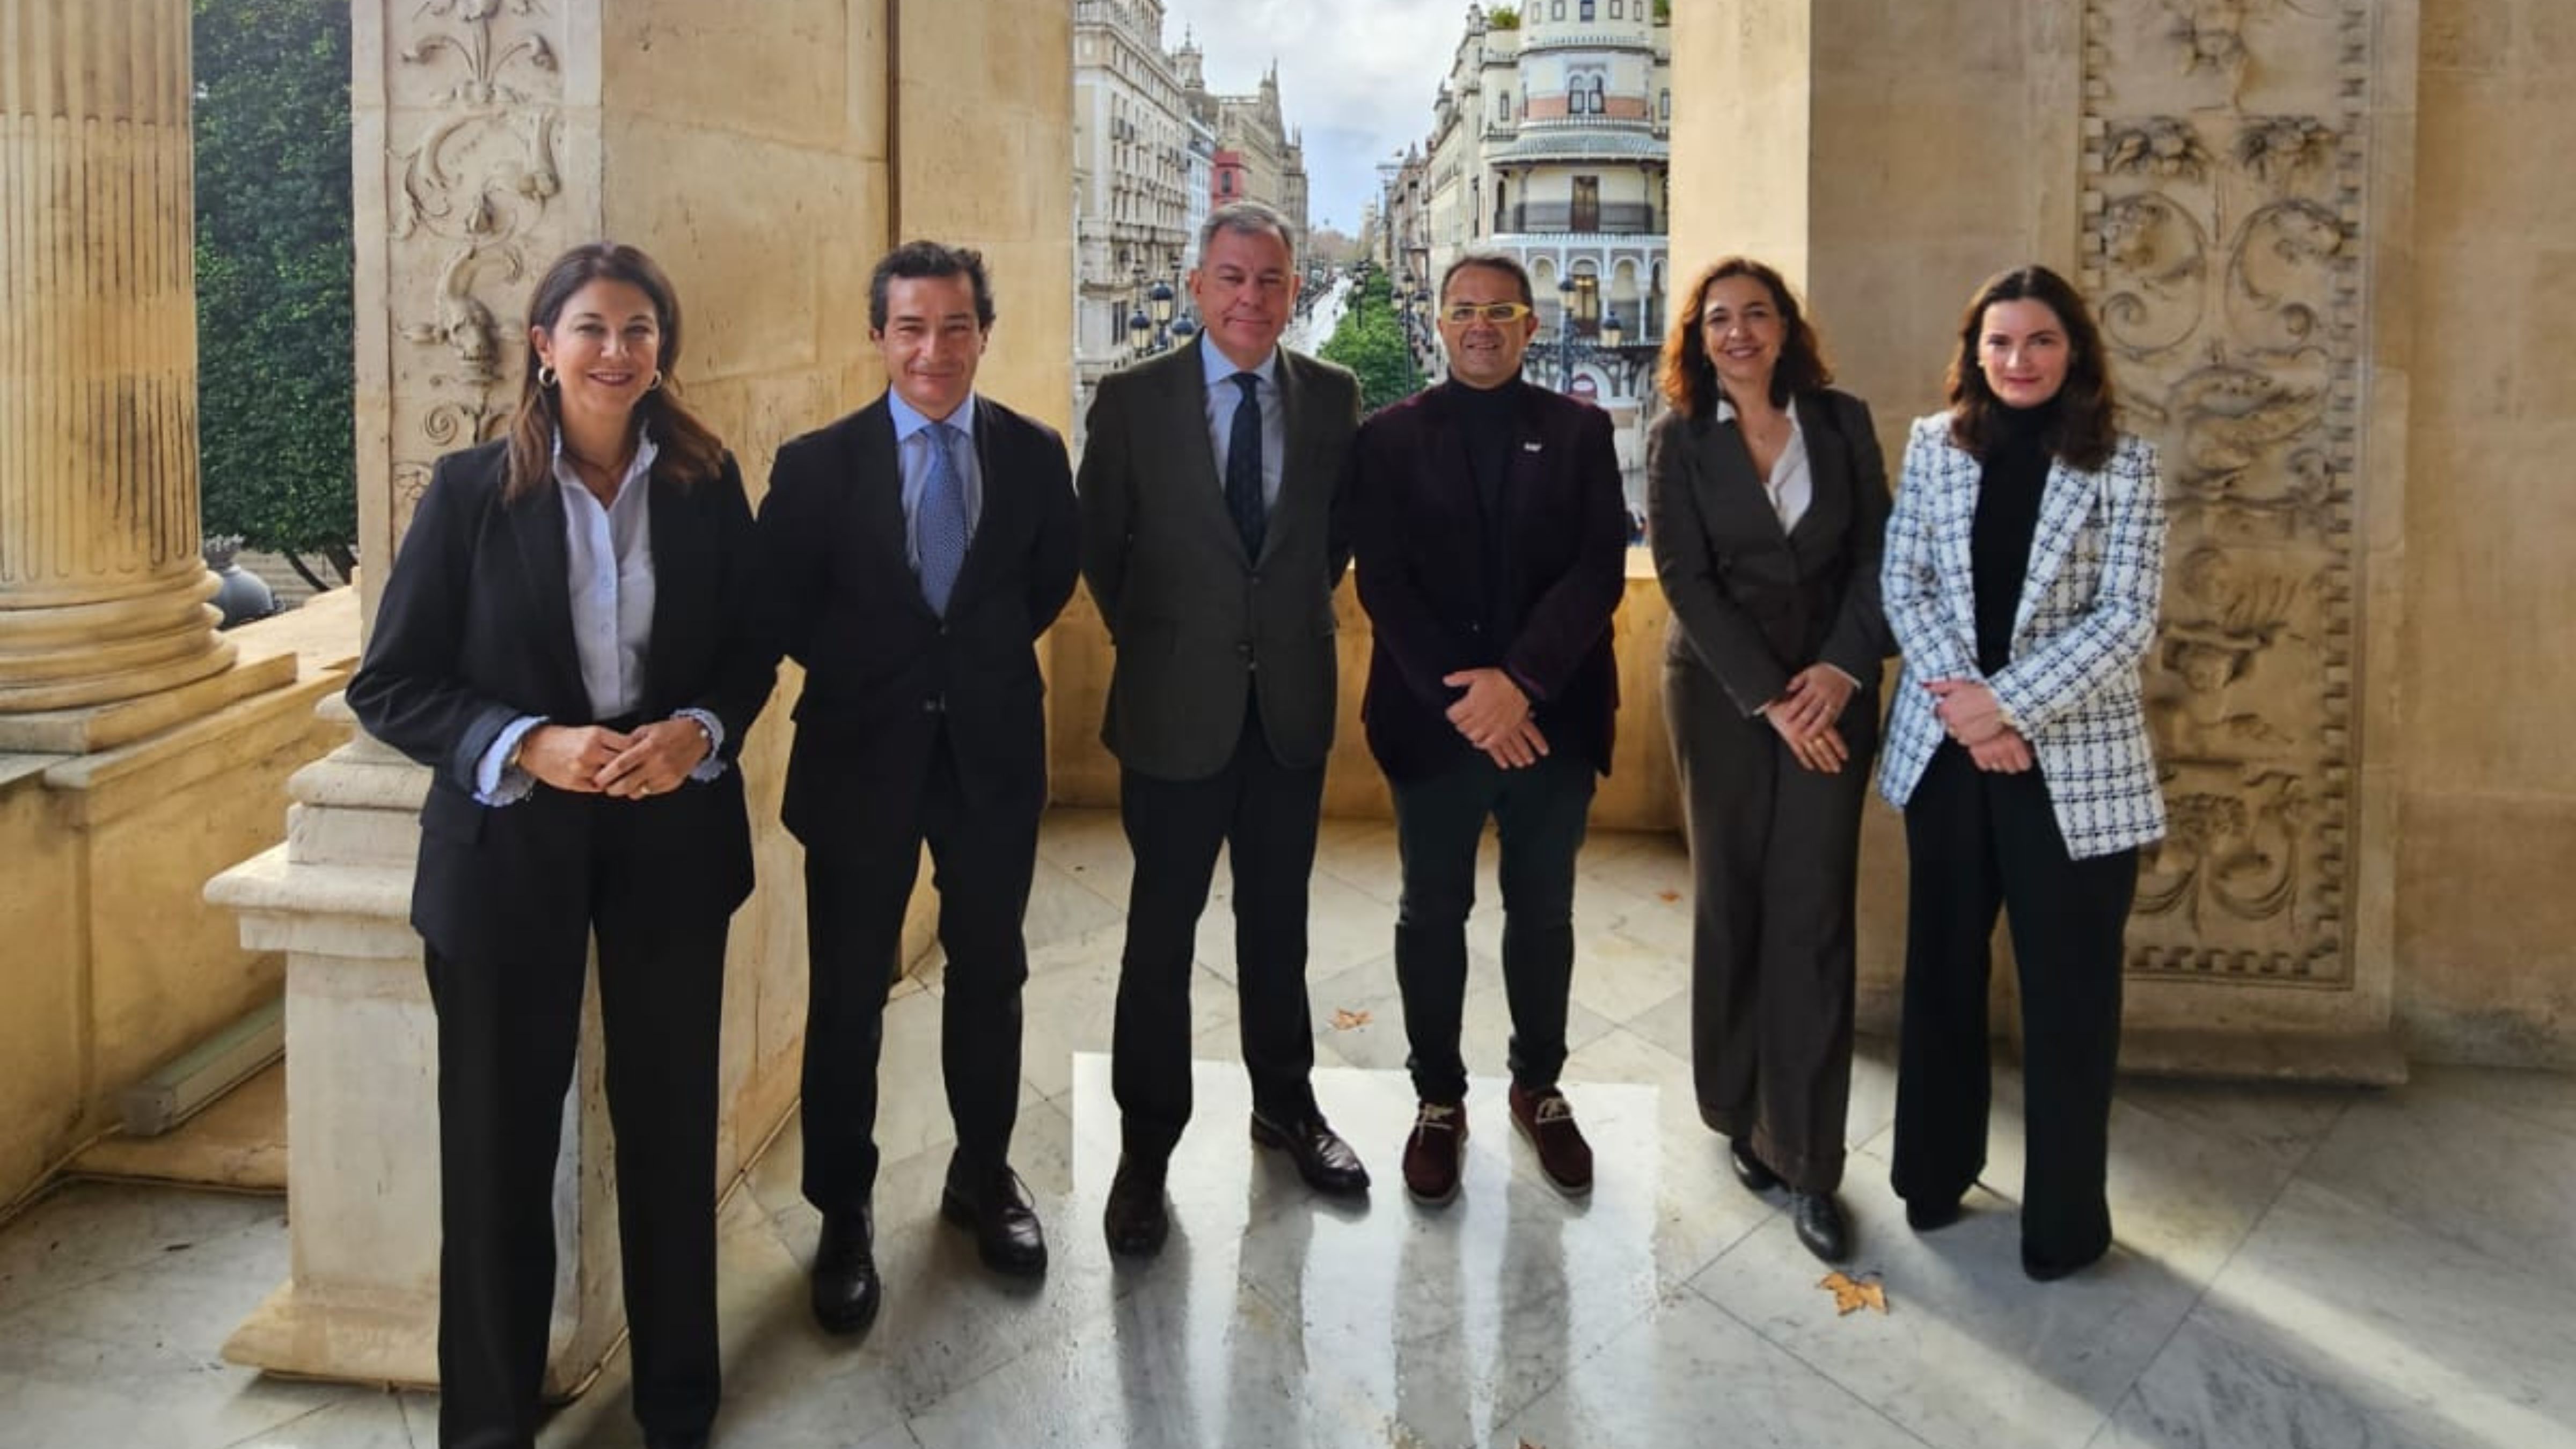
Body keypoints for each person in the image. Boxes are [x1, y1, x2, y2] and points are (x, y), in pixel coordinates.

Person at [346, 242, 775, 1449]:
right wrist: (525, 742)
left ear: (662, 350)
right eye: (590, 327)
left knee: (670, 1128)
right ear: (543, 346)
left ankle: (679, 1405)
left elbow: (750, 651)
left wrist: (698, 732)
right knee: (495, 1153)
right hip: (505, 858)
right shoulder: (473, 491)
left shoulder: (702, 478)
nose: (617, 350)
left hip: (669, 845)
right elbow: (391, 684)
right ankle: (488, 1428)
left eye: (639, 329)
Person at [759, 241, 1079, 1334]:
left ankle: (981, 1176)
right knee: (848, 996)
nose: (933, 350)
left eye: (953, 327)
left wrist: (961, 670)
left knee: (992, 975)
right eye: (910, 327)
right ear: (880, 336)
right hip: (857, 760)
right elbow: (784, 608)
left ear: (984, 332)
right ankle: (841, 1213)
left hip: (990, 760)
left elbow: (1044, 584)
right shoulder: (816, 467)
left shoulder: (1036, 457)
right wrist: (888, 674)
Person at [1078, 201, 1368, 1255]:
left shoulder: (1335, 399)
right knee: (1159, 941)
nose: (1253, 298)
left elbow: (1328, 544)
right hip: (1171, 713)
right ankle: (1146, 1149)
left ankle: (1285, 1108)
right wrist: (1176, 645)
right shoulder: (1132, 402)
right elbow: (1101, 552)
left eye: (1273, 281)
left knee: (1277, 931)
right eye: (1234, 278)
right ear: (1198, 286)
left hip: (1285, 713)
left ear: (1294, 293)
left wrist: (1265, 633)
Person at [1877, 264, 2168, 1282]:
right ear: (1975, 353)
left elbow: (2126, 618)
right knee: (1943, 972)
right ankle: (1932, 1173)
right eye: (1999, 343)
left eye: (2038, 341)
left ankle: (2064, 1223)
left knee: (2070, 996)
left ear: (2074, 351)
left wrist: (2008, 709)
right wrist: (1967, 709)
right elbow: (1903, 581)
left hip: (2074, 767)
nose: (2018, 360)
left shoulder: (2125, 465)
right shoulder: (1934, 445)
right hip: (1951, 756)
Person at [1349, 252, 1629, 1207]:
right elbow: (1382, 580)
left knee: (1542, 913)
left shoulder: (1583, 431)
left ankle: (1538, 1084)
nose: (1481, 325)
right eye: (1463, 310)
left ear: (1529, 325)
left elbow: (1598, 570)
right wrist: (1469, 700)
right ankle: (1438, 1099)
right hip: (1435, 726)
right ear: (1438, 322)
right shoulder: (1387, 439)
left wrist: (1523, 684)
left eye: (1500, 310)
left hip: (1554, 723)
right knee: (1432, 913)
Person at [1645, 258, 1893, 1263]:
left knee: (1815, 917)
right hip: (1722, 696)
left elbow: (1882, 551)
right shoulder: (1675, 439)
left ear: (1788, 327)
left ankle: (1811, 1159)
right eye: (1718, 319)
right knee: (1733, 902)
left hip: (1832, 697)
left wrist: (1838, 671)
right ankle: (1735, 1110)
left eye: (1756, 315)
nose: (1737, 333)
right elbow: (1683, 578)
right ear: (1697, 338)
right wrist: (1771, 698)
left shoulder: (1842, 422)